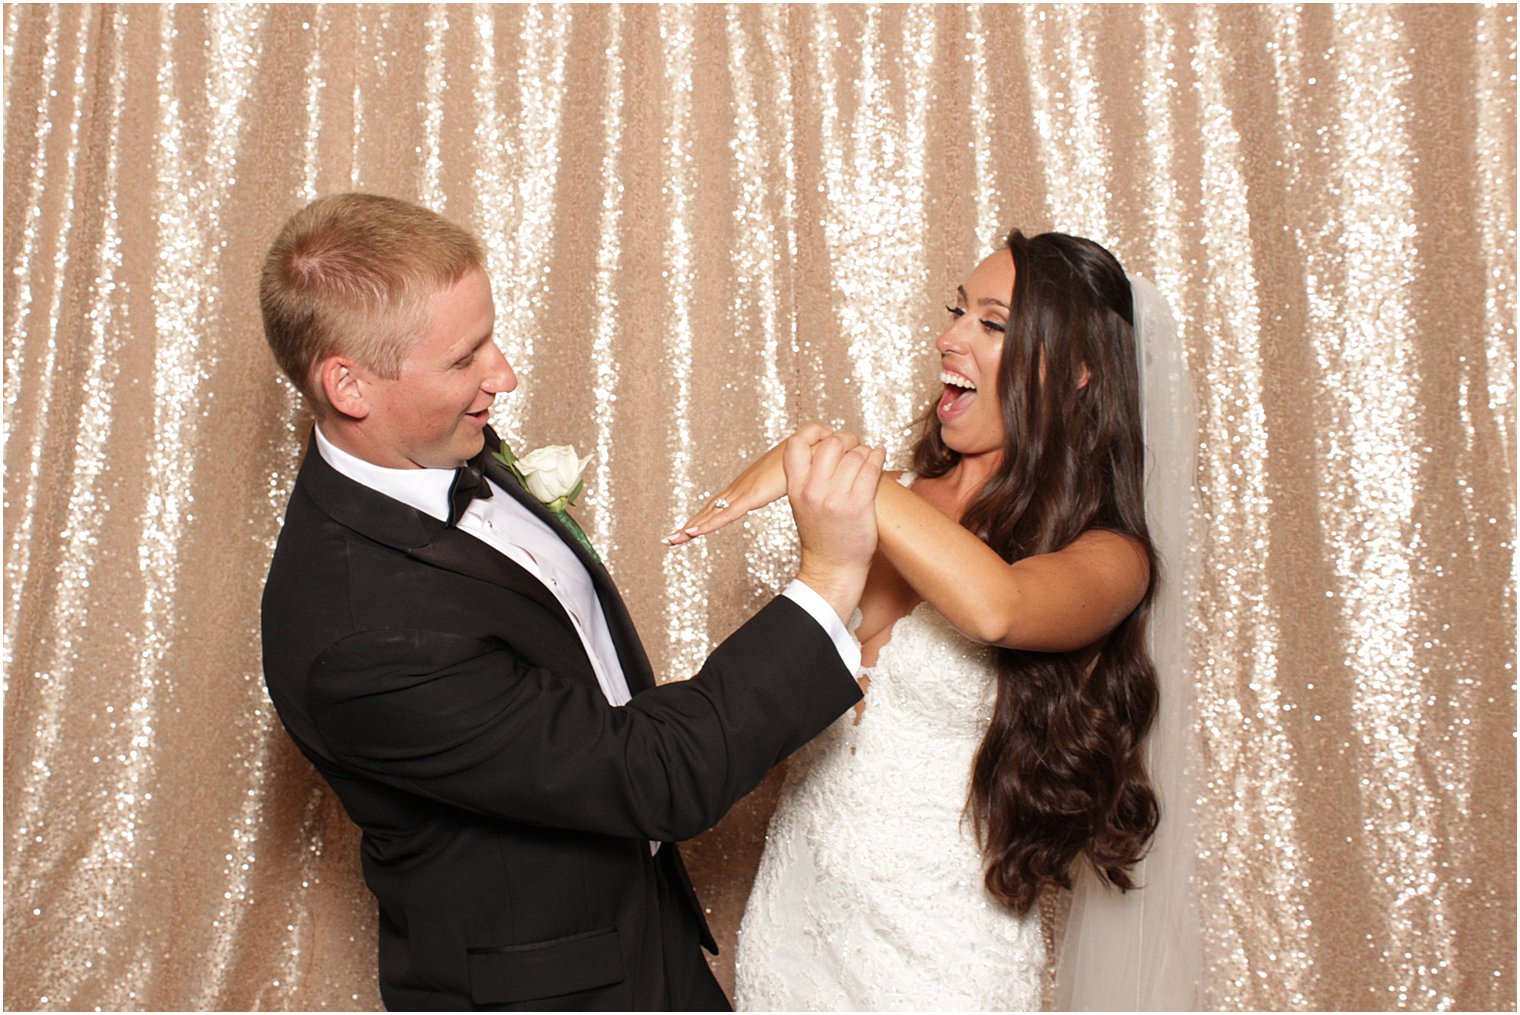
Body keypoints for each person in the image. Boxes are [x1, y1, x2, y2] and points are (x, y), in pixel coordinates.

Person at [257, 192, 886, 1011]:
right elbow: (652, 771)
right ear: (348, 386)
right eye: (464, 358)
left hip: (639, 929)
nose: (504, 375)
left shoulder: (438, 445)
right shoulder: (362, 639)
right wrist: (832, 577)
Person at [670, 229, 1202, 1010]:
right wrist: (854, 479)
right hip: (794, 927)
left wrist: (815, 454)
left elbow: (997, 607)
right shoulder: (887, 500)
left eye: (992, 323)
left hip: (940, 954)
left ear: (1079, 370)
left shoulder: (1112, 556)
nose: (949, 337)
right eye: (959, 311)